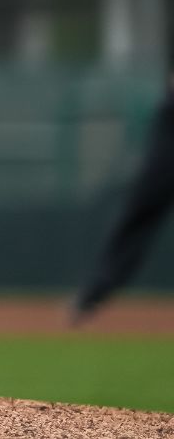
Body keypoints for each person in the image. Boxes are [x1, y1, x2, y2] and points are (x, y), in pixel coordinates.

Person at [71, 70, 174, 321]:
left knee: (134, 221)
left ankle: (94, 293)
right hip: (165, 155)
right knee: (135, 220)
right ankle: (95, 292)